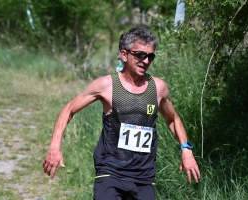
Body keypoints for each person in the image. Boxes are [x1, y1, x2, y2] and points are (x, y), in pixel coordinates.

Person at [43, 27, 201, 200]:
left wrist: (186, 149)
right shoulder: (106, 85)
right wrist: (54, 147)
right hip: (110, 171)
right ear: (124, 54)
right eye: (140, 54)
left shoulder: (159, 88)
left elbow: (173, 119)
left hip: (144, 175)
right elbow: (68, 110)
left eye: (151, 56)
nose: (146, 61)